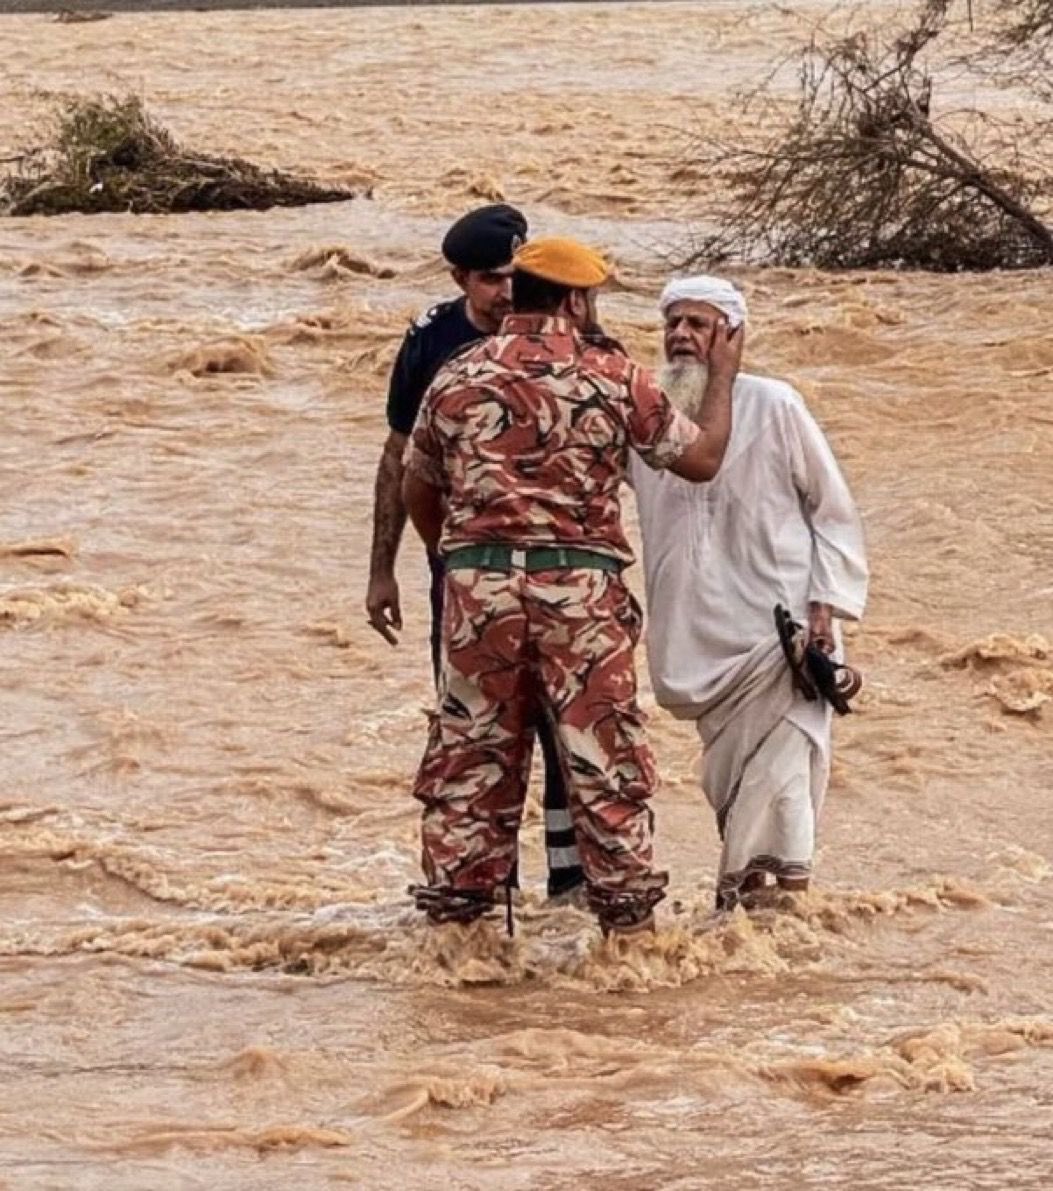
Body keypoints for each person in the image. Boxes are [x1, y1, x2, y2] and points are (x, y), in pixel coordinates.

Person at [401, 239, 742, 935]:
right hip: (579, 596)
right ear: (576, 300)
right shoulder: (614, 376)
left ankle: (460, 941)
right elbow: (701, 460)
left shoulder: (459, 371)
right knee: (602, 762)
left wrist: (459, 556)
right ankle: (626, 942)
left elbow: (417, 483)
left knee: (470, 763)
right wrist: (724, 375)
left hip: (478, 590)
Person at [365, 205, 584, 899]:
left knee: (569, 734)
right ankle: (486, 890)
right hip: (463, 575)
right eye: (491, 280)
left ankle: (568, 888)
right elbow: (401, 457)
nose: (506, 292)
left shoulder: (569, 330)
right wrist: (387, 568)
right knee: (474, 733)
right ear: (459, 278)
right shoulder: (432, 341)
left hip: (561, 574)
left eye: (514, 276)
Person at [630, 275, 869, 910]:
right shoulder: (650, 423)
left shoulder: (775, 405)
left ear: (732, 336)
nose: (681, 335)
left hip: (779, 640)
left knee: (782, 789)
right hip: (696, 643)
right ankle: (750, 939)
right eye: (673, 323)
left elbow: (833, 510)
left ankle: (771, 929)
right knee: (735, 788)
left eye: (699, 325)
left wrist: (826, 605)